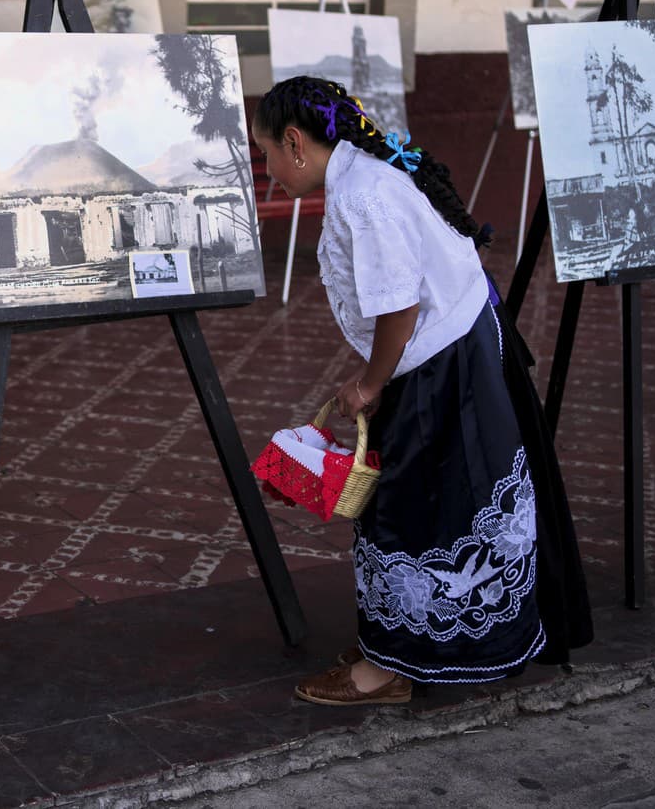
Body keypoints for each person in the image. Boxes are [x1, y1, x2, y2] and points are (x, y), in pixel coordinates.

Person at [250, 76, 592, 705]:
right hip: (451, 353)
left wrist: (367, 385)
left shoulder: (364, 195)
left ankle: (391, 667)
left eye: (267, 152)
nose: (268, 170)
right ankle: (398, 644)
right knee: (430, 503)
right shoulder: (364, 174)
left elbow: (399, 307)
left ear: (295, 143)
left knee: (417, 506)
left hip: (442, 366)